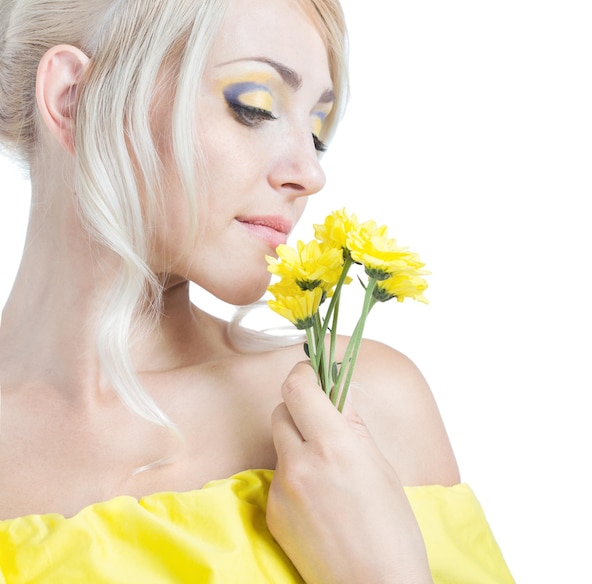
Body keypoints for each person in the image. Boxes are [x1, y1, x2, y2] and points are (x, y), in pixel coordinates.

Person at [0, 0, 514, 582]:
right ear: (73, 100)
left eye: (317, 132)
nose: (310, 173)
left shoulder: (355, 405)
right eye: (255, 107)